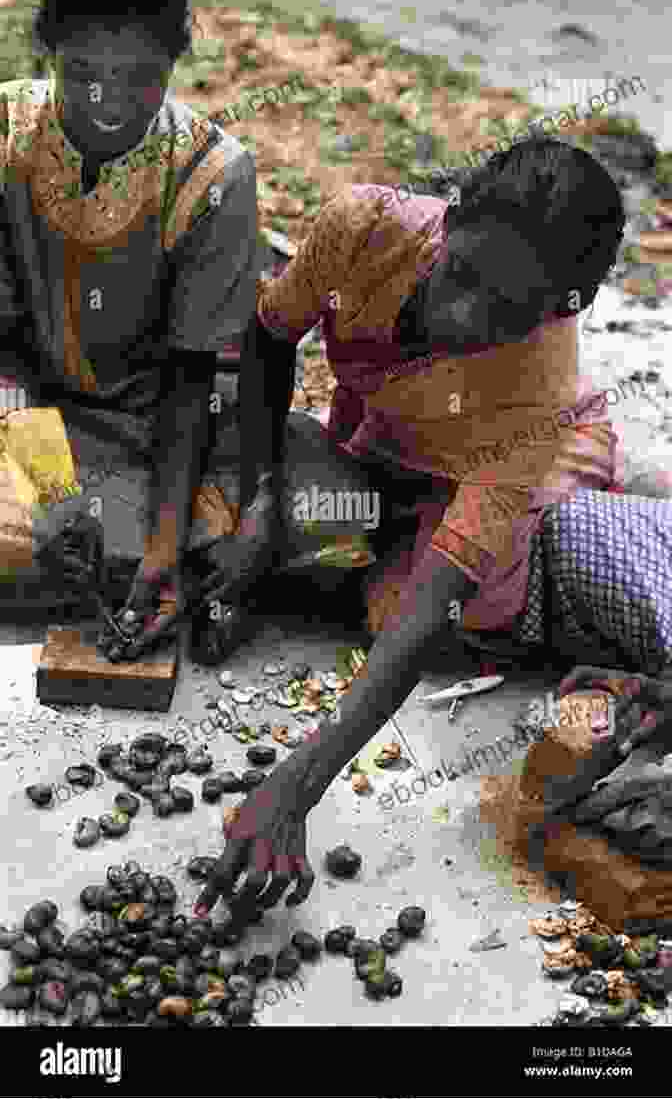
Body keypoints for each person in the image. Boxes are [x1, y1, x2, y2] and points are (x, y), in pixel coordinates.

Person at [192, 136, 672, 919]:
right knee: (234, 457)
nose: (465, 316)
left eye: (509, 312)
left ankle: (603, 500)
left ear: (562, 307)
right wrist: (261, 505)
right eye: (465, 276)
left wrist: (295, 786)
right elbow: (270, 343)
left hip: (503, 468)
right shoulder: (363, 226)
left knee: (436, 613)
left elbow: (430, 609)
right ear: (449, 222)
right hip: (389, 449)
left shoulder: (539, 386)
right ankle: (360, 521)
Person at [0, 0, 270, 655]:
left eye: (141, 79)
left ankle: (145, 563)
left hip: (159, 429)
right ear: (49, 51)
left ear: (176, 62)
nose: (107, 105)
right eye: (83, 74)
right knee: (53, 534)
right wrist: (51, 487)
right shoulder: (7, 134)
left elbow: (192, 377)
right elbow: (4, 349)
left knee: (288, 522)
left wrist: (163, 543)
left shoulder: (214, 174)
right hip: (24, 411)